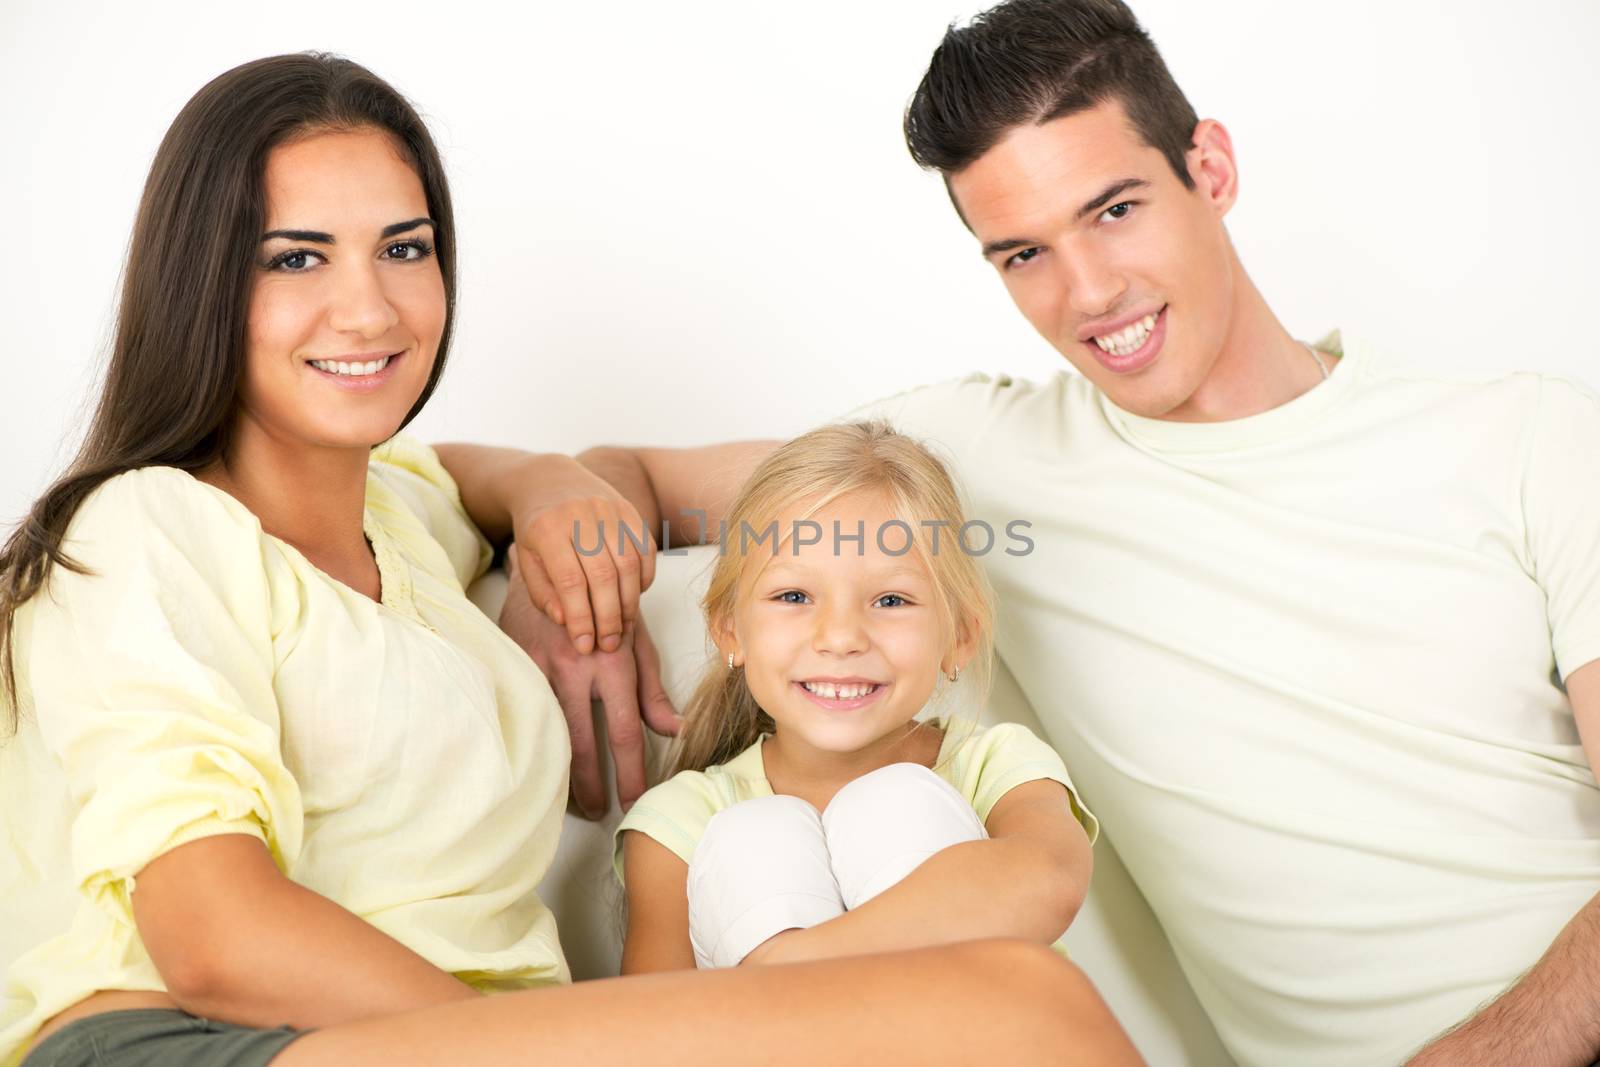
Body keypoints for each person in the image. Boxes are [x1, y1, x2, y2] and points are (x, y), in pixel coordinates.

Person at [453, 1, 1600, 1064]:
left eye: (1113, 210)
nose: (1090, 289)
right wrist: (576, 571)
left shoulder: (1529, 436)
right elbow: (641, 477)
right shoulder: (976, 463)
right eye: (1024, 253)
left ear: (1210, 167)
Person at [0, 52, 1143, 1067]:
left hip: (464, 1037)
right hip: (192, 1034)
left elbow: (458, 471)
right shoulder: (146, 526)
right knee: (1015, 1004)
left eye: (406, 248)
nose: (367, 306)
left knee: (987, 1008)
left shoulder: (399, 519)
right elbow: (213, 935)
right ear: (204, 284)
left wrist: (553, 494)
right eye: (297, 258)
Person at [613, 421, 1099, 973]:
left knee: (897, 803)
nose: (841, 637)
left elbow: (1048, 881)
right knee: (751, 838)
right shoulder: (683, 821)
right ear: (730, 630)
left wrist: (788, 966)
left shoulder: (997, 765)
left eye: (891, 600)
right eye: (793, 595)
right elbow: (653, 1025)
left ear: (959, 637)